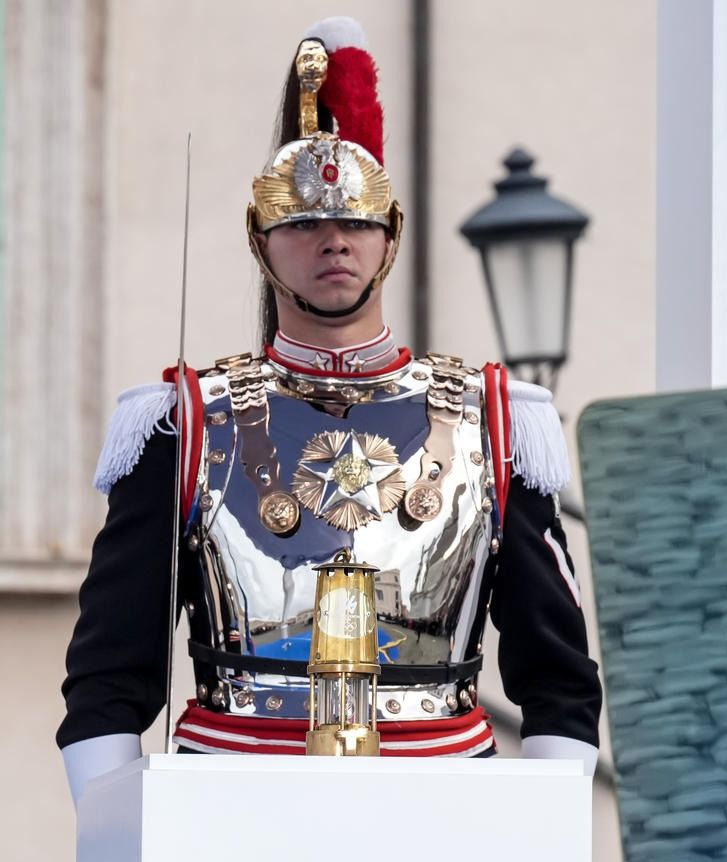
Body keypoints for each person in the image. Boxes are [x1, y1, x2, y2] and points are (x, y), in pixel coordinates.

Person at [57, 17, 602, 804]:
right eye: (305, 222)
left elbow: (558, 675)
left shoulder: (496, 419)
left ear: (390, 236)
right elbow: (110, 674)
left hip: (442, 798)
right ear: (260, 240)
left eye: (354, 222)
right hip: (233, 797)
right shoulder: (183, 424)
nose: (334, 241)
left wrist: (546, 826)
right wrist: (110, 826)